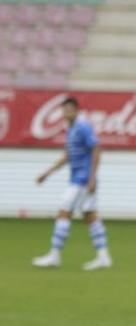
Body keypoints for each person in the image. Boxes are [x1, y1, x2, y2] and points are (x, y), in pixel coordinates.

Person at [32, 96, 112, 271]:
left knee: (64, 211)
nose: (66, 112)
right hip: (79, 178)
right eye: (64, 110)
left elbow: (97, 149)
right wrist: (47, 173)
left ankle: (54, 255)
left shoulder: (83, 127)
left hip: (82, 180)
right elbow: (68, 156)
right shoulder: (71, 129)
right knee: (90, 216)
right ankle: (103, 256)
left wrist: (92, 178)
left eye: (69, 109)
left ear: (76, 110)